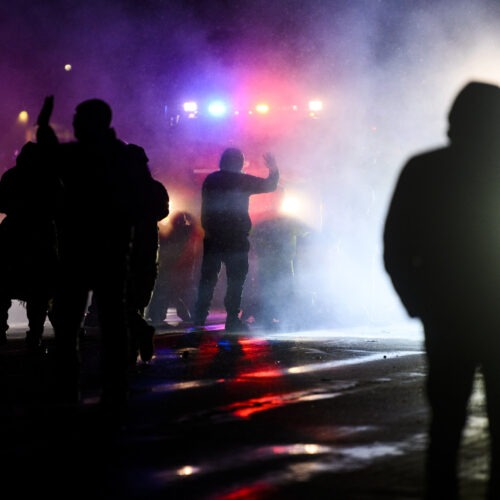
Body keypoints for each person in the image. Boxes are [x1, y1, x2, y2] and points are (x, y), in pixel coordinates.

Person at [383, 81, 500, 499]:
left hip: (447, 318)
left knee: (446, 428)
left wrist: (420, 305)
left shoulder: (424, 169)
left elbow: (396, 246)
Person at [37, 96, 168, 416]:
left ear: (93, 122)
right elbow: (148, 203)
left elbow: (49, 155)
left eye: (80, 118)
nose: (76, 124)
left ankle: (69, 387)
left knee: (72, 325)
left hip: (81, 250)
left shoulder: (77, 156)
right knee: (111, 323)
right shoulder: (128, 158)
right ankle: (115, 390)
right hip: (113, 249)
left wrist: (43, 124)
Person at [193, 148, 279, 332]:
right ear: (239, 163)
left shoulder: (211, 179)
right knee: (236, 280)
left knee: (208, 278)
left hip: (213, 236)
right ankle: (232, 318)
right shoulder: (242, 180)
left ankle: (199, 316)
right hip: (236, 238)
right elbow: (270, 185)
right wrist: (273, 168)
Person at [0, 141, 60, 348]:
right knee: (39, 292)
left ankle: (1, 329)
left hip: (13, 236)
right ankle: (35, 333)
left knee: (5, 287)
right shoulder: (50, 179)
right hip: (41, 238)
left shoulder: (11, 177)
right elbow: (60, 207)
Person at [146, 211, 202, 326]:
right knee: (176, 292)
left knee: (169, 292)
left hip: (173, 268)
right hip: (177, 268)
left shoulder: (172, 232)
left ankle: (158, 315)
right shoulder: (183, 231)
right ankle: (181, 314)